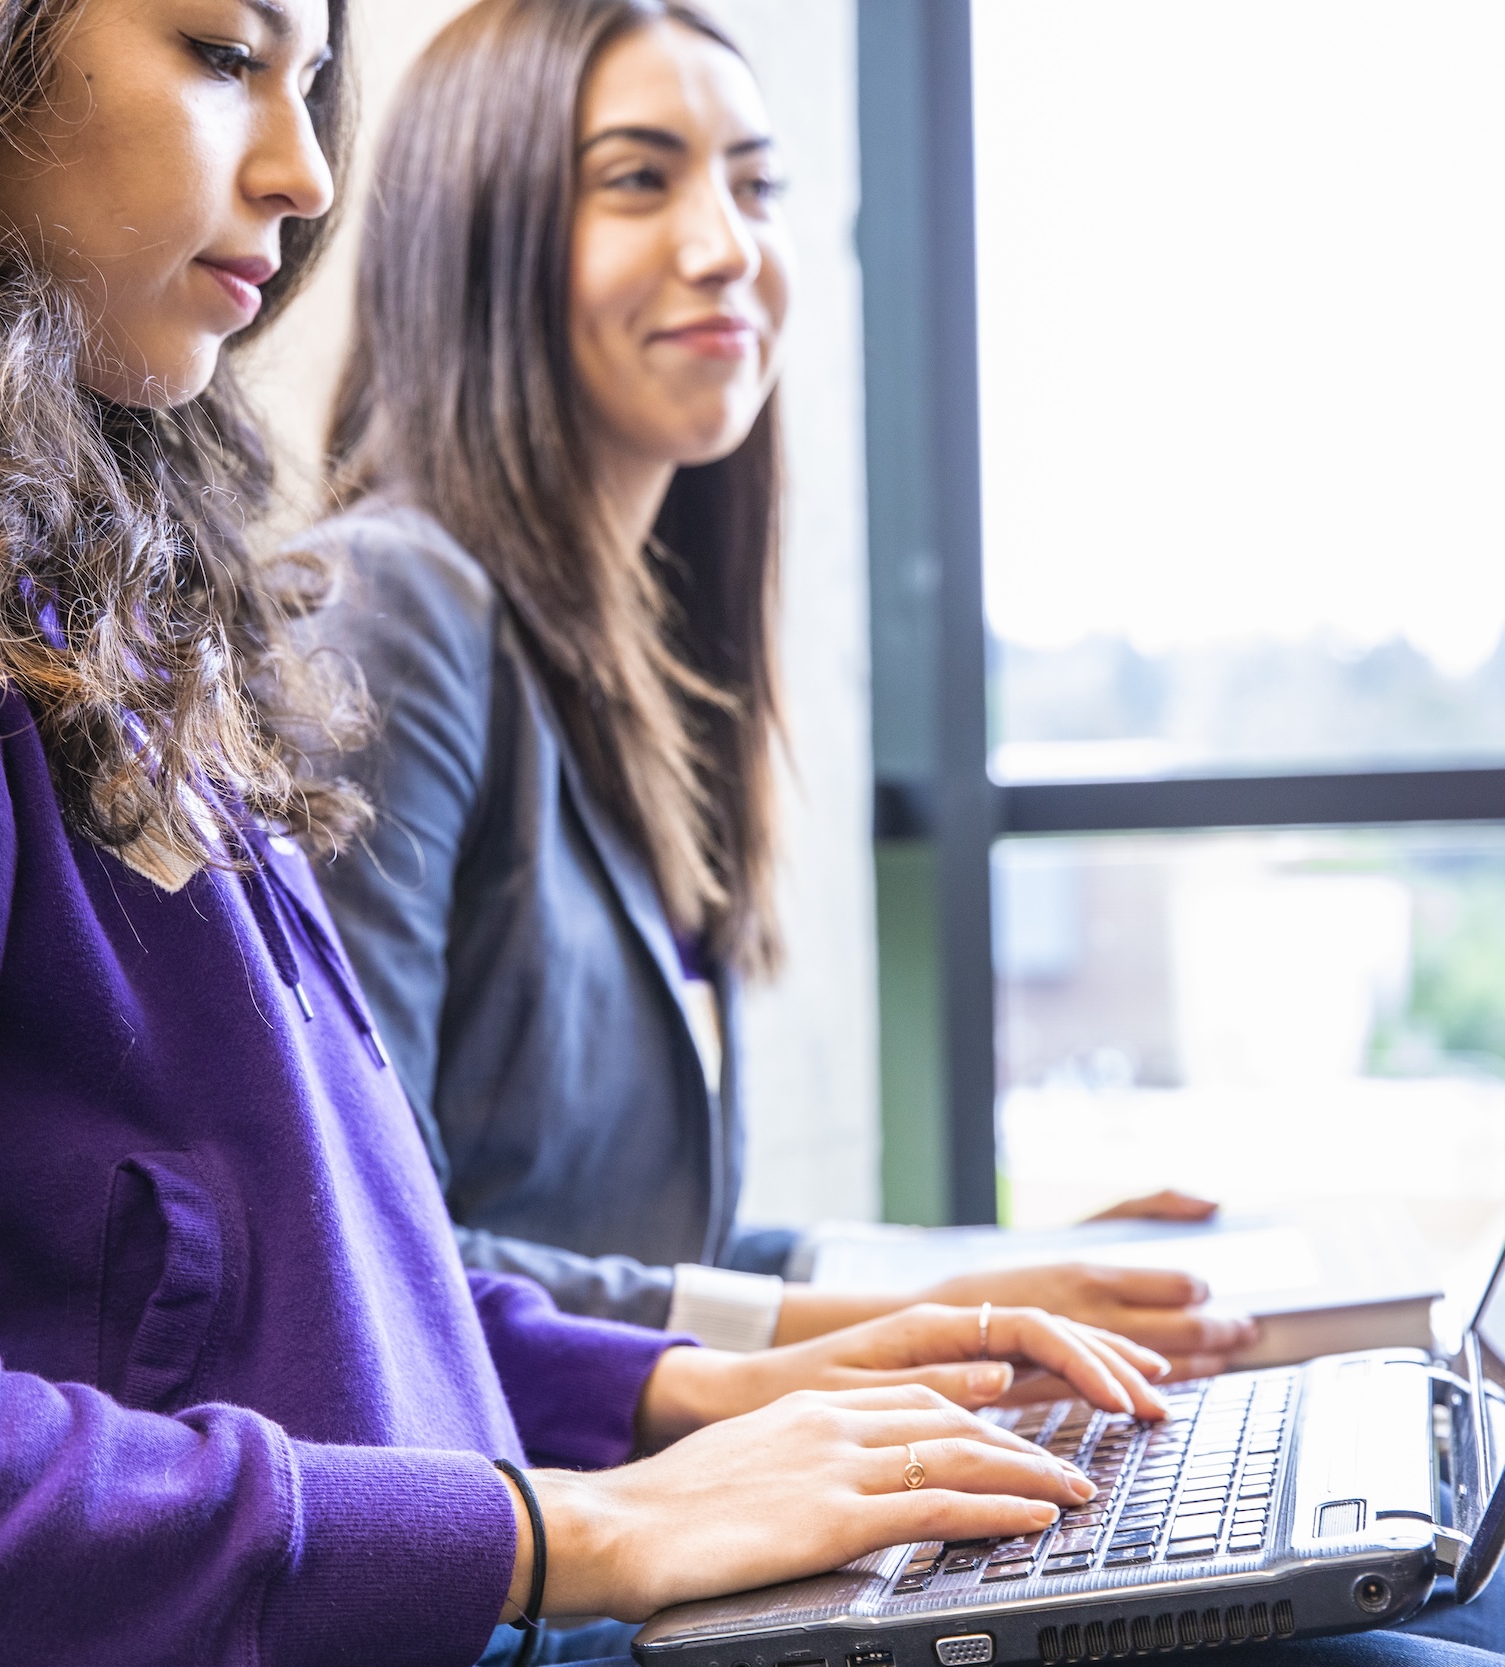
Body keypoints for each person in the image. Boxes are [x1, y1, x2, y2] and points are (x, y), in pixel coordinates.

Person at [0, 1, 1190, 1663]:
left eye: (313, 79)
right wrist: (568, 1531)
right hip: (445, 1606)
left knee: (1401, 1597)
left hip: (467, 1589)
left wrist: (678, 1391)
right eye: (220, 55)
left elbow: (291, 1287)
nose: (307, 170)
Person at [300, 0, 1250, 1370]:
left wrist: (1006, 1277)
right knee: (1457, 1595)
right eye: (639, 179)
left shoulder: (647, 653)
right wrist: (916, 1330)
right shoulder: (387, 607)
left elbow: (668, 1255)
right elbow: (370, 1261)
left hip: (682, 1499)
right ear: (478, 230)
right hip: (552, 1552)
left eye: (757, 185)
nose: (726, 246)